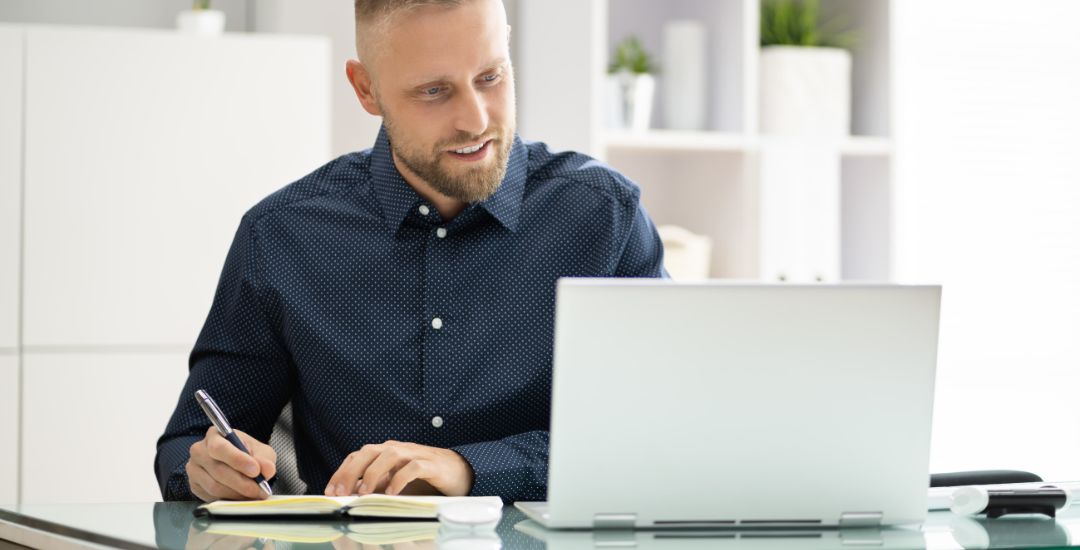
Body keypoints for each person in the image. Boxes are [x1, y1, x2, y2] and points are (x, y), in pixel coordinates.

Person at [154, 0, 665, 503]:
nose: (475, 119)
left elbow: (656, 435)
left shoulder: (604, 215)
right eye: (434, 91)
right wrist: (206, 468)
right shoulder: (281, 236)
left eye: (490, 77)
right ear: (366, 89)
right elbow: (191, 442)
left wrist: (471, 469)